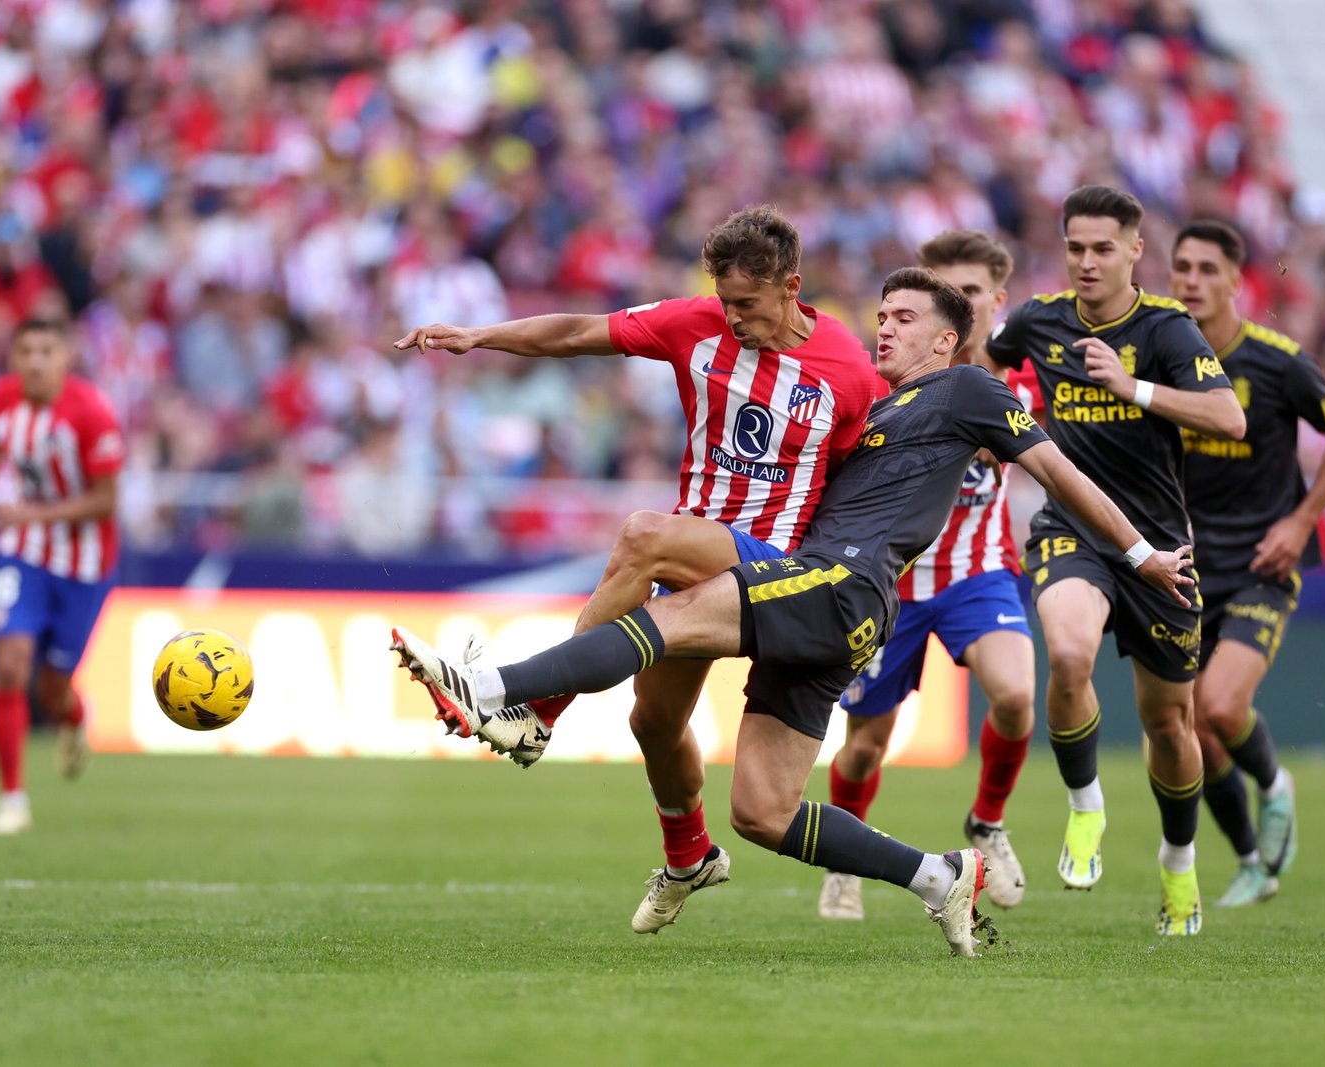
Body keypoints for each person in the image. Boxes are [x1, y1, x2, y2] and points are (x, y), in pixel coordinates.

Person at [391, 267, 1195, 956]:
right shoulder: (866, 413)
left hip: (840, 586)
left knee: (663, 615)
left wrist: (1140, 555)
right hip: (835, 608)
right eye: (881, 315)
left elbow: (1059, 475)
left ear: (948, 340)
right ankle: (938, 875)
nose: (885, 328)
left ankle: (500, 690)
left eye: (906, 319)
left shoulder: (968, 390)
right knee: (762, 812)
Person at [393, 205, 883, 932]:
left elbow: (866, 487)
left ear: (791, 287)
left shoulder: (847, 368)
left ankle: (538, 711)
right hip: (698, 562)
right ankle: (690, 854)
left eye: (747, 303)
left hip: (778, 567)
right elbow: (575, 332)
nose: (733, 316)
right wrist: (479, 337)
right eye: (724, 300)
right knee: (652, 720)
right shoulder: (695, 324)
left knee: (643, 533)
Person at [985, 185, 1246, 936]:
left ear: (1136, 250)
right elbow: (992, 362)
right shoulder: (1039, 318)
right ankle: (1085, 807)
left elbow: (1228, 416)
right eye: (1076, 247)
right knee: (1067, 652)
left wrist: (1132, 386)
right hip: (1072, 529)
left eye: (1104, 248)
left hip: (1162, 548)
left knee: (1170, 724)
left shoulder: (1166, 329)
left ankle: (1177, 863)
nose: (1088, 261)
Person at [820, 230, 1038, 922]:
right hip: (894, 586)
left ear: (995, 301)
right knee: (865, 745)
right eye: (944, 294)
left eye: (971, 293)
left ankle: (986, 822)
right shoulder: (892, 387)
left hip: (978, 574)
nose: (959, 307)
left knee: (1016, 693)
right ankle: (841, 866)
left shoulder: (1014, 382)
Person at [1169, 219, 1325, 906]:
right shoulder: (1161, 360)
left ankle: (1276, 784)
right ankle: (1252, 859)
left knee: (1221, 705)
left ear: (1234, 281)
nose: (1191, 280)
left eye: (1206, 269)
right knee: (1191, 728)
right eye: (1181, 267)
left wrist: (1301, 519)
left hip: (1260, 564)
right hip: (1186, 571)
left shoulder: (1279, 361)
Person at [0, 318, 124, 835]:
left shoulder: (90, 413)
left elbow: (107, 502)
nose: (36, 361)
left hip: (84, 563)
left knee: (53, 690)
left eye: (47, 350)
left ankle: (73, 720)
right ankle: (12, 800)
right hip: (21, 552)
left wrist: (29, 516)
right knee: (9, 666)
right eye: (26, 350)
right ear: (13, 359)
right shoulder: (1, 400)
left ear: (65, 358)